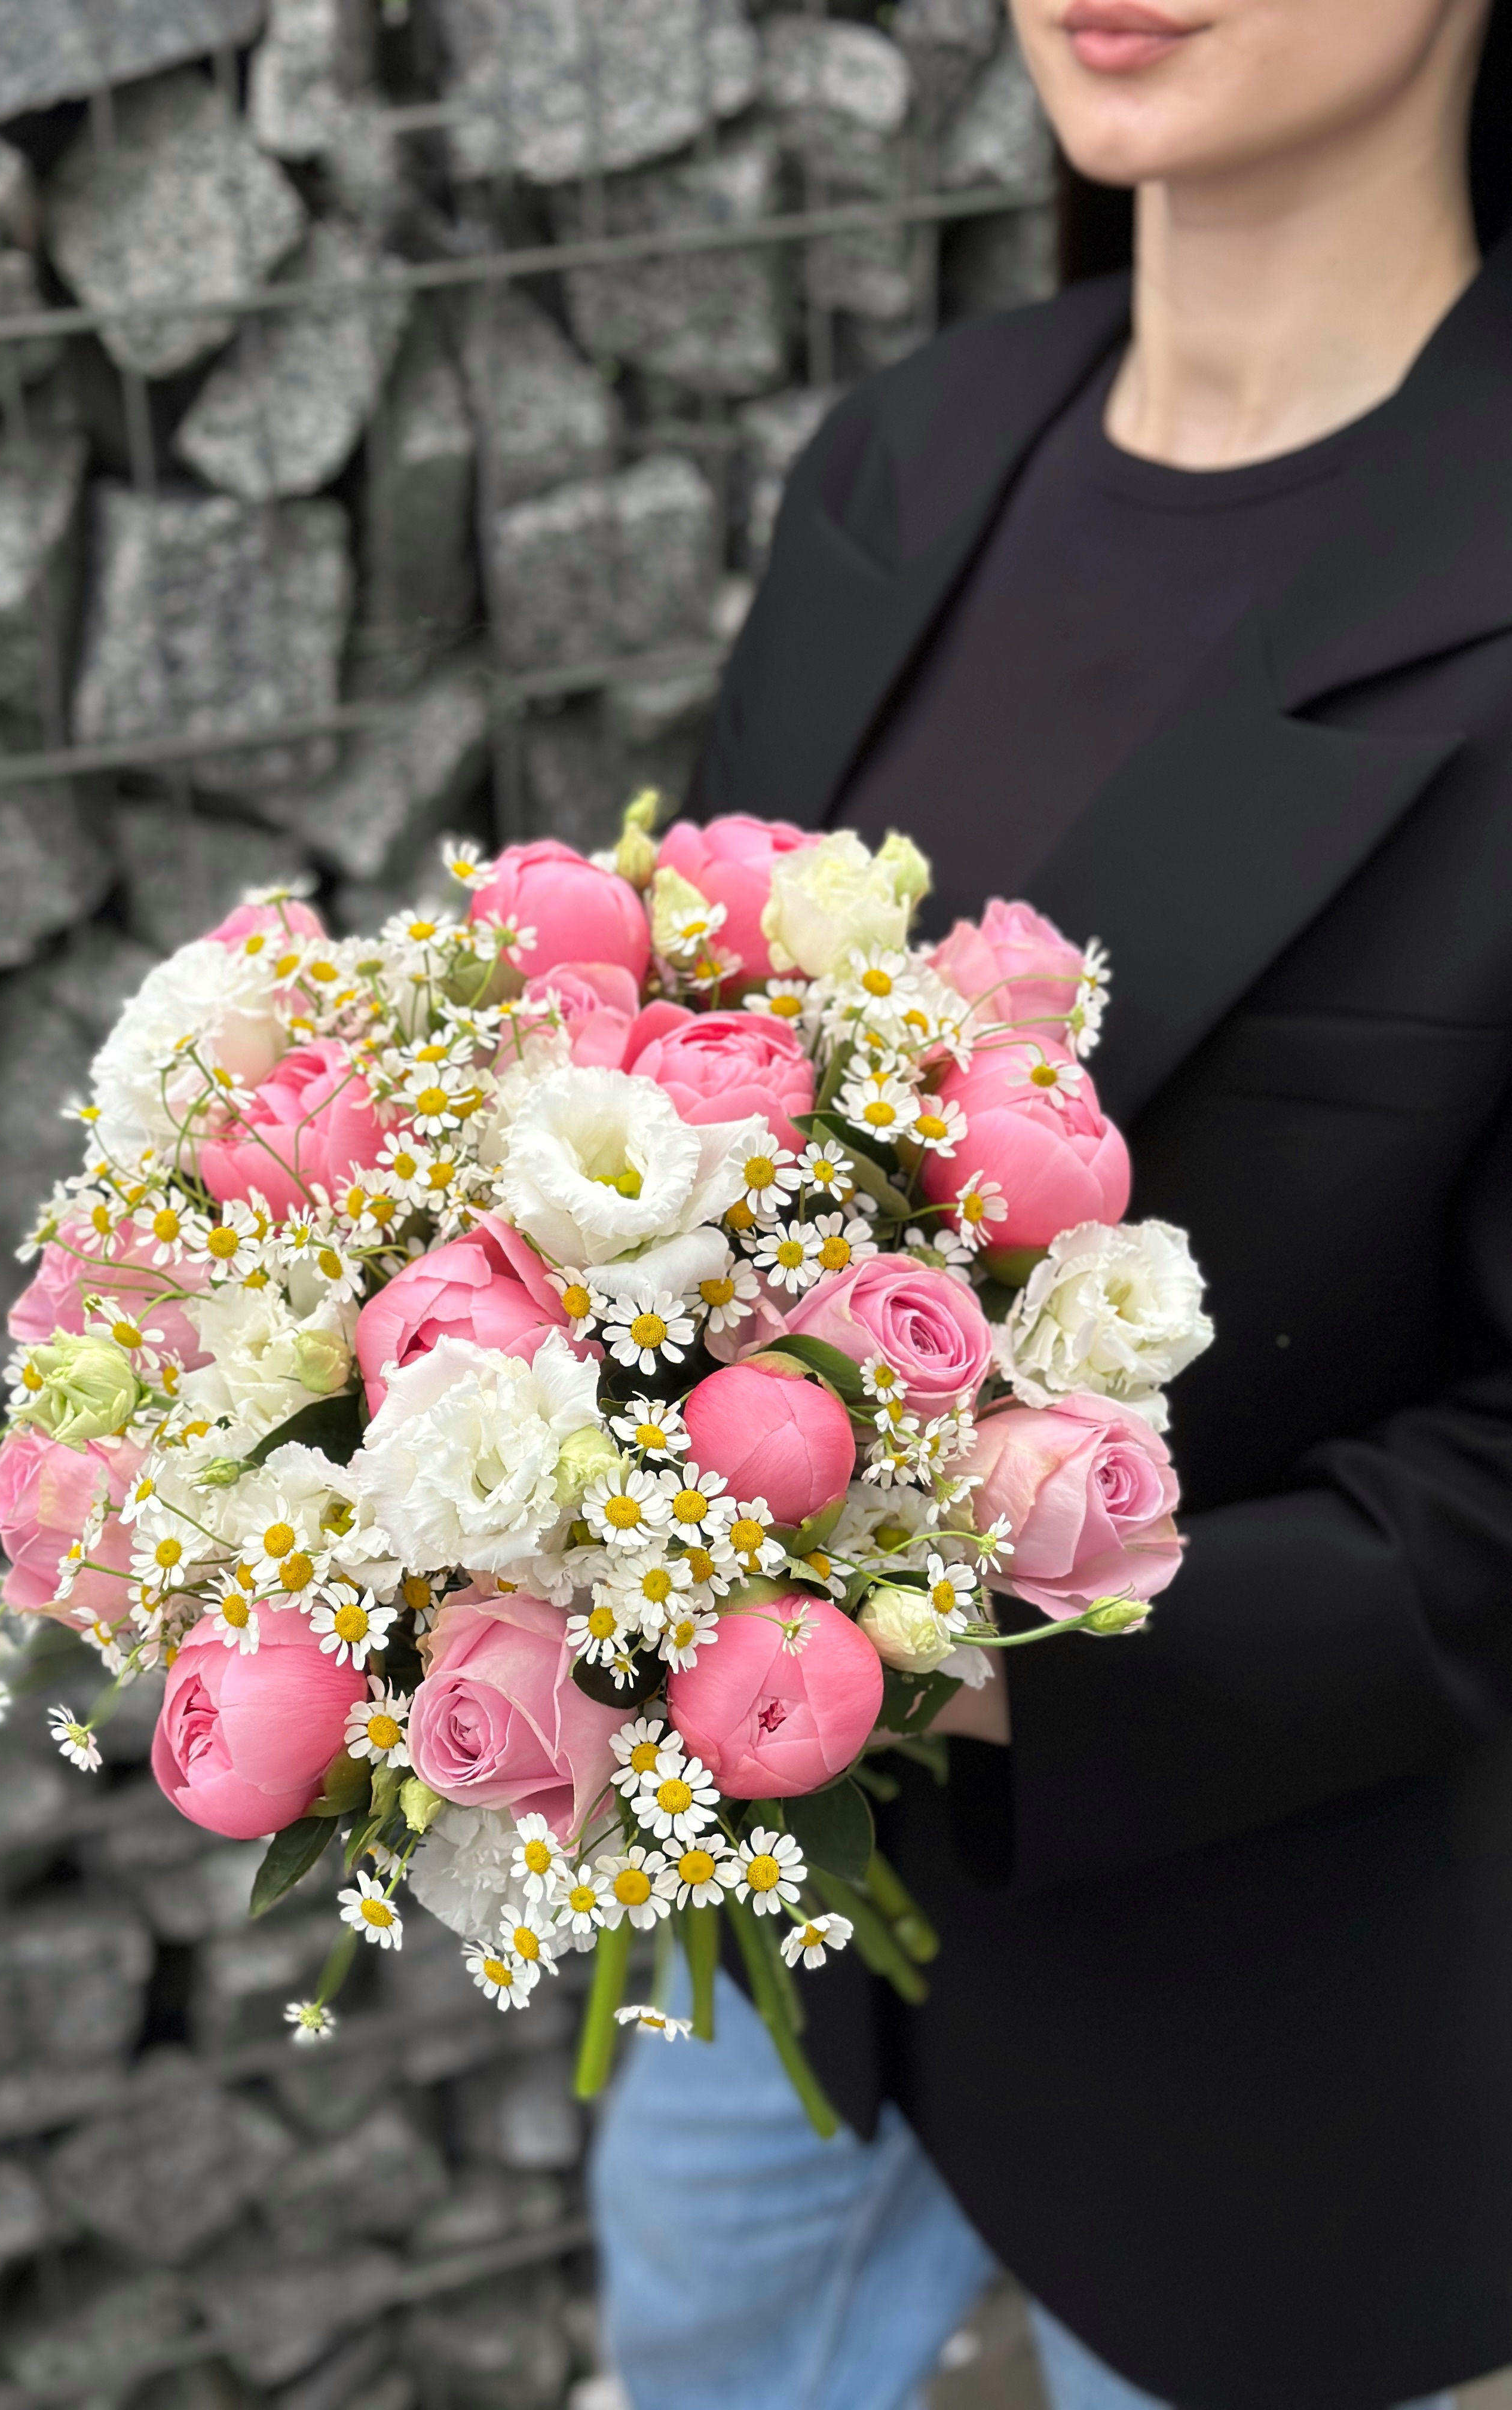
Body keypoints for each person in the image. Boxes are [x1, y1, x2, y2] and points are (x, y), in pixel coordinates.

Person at [590, 1, 1512, 2405]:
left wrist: (939, 1650)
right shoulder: (919, 445)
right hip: (775, 1939)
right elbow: (683, 1058)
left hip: (1285, 2047)